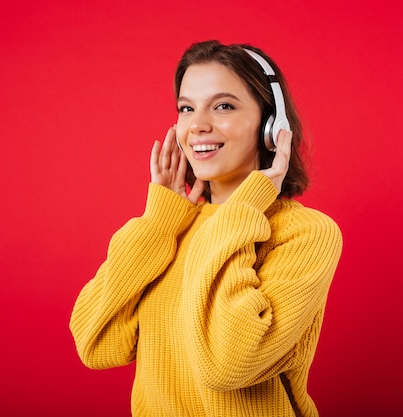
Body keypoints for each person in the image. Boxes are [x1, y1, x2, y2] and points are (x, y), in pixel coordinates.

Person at [69, 40, 343, 417]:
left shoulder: (306, 233)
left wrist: (242, 208)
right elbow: (97, 343)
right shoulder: (169, 231)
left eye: (224, 106)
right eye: (186, 108)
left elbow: (228, 364)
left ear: (270, 127)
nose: (197, 125)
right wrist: (158, 222)